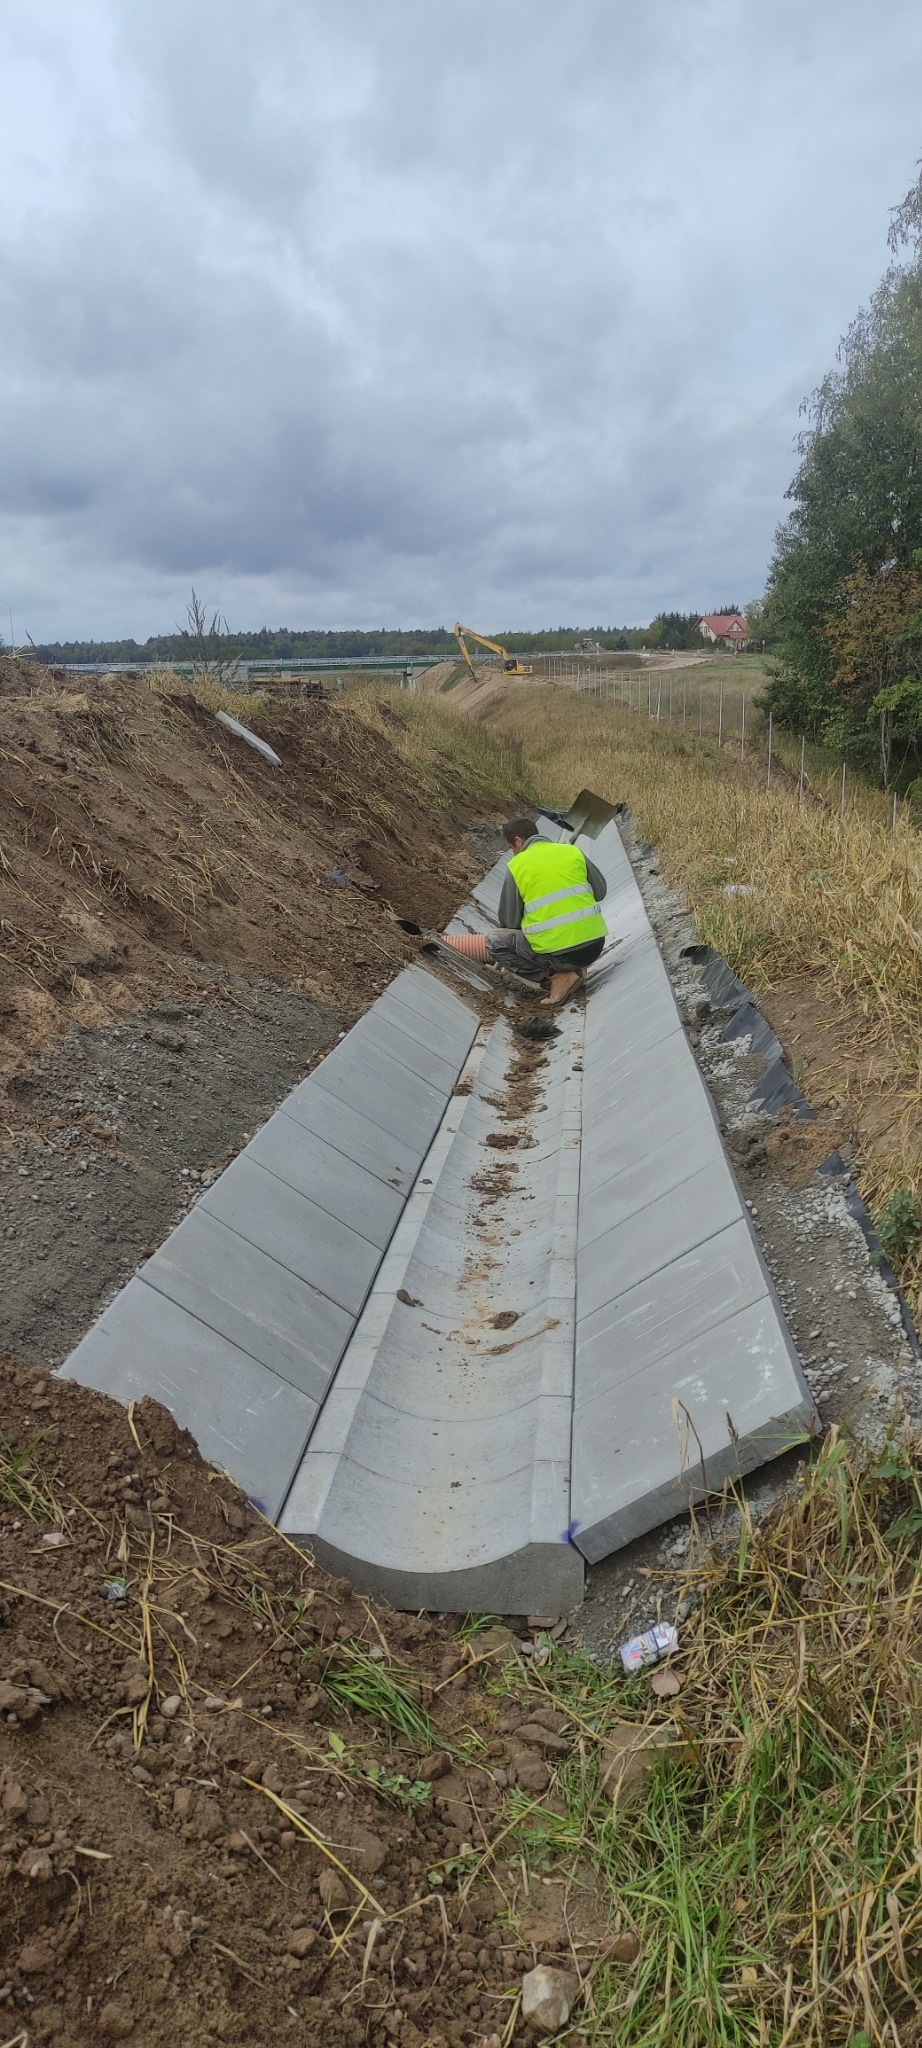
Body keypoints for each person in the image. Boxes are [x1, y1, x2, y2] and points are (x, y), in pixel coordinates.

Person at [444, 816, 608, 1005]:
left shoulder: (517, 865)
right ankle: (568, 970)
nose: (513, 854)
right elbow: (601, 891)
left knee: (495, 941)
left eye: (511, 848)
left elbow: (509, 923)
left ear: (518, 841)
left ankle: (559, 977)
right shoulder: (571, 851)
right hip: (594, 947)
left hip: (564, 954)